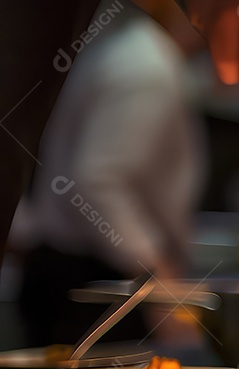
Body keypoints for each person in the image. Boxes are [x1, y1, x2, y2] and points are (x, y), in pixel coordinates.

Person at [0, 0, 239, 261]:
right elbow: (95, 181)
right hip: (95, 268)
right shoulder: (149, 62)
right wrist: (152, 263)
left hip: (65, 259)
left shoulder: (121, 47)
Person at [9, 2, 206, 346]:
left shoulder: (108, 43)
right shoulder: (146, 63)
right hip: (98, 281)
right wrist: (157, 273)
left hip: (61, 270)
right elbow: (97, 182)